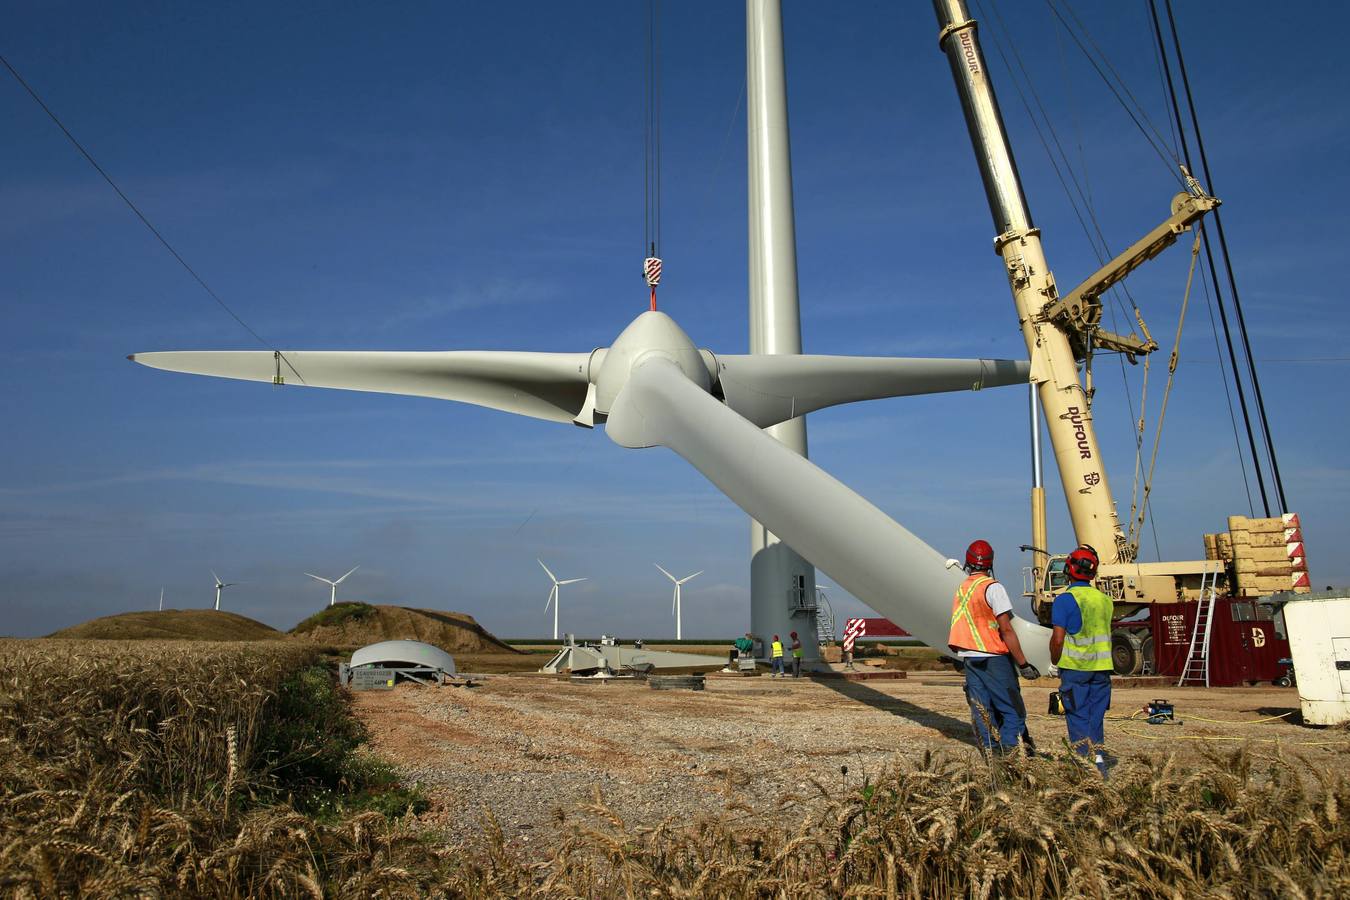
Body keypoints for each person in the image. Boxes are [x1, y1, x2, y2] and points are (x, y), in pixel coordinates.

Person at [948, 539, 1040, 753]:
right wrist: (1023, 664)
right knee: (1012, 709)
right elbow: (1006, 630)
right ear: (990, 563)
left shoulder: (962, 588)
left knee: (981, 709)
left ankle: (991, 754)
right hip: (993, 657)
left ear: (968, 561)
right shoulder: (993, 587)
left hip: (970, 658)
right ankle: (1011, 752)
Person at [1049, 545, 1114, 776]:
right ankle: (1099, 765)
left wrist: (1054, 662)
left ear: (1068, 569)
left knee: (1078, 719)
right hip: (1102, 670)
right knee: (1095, 720)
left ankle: (1086, 772)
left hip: (1075, 669)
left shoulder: (1065, 600)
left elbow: (1058, 639)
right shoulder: (1105, 601)